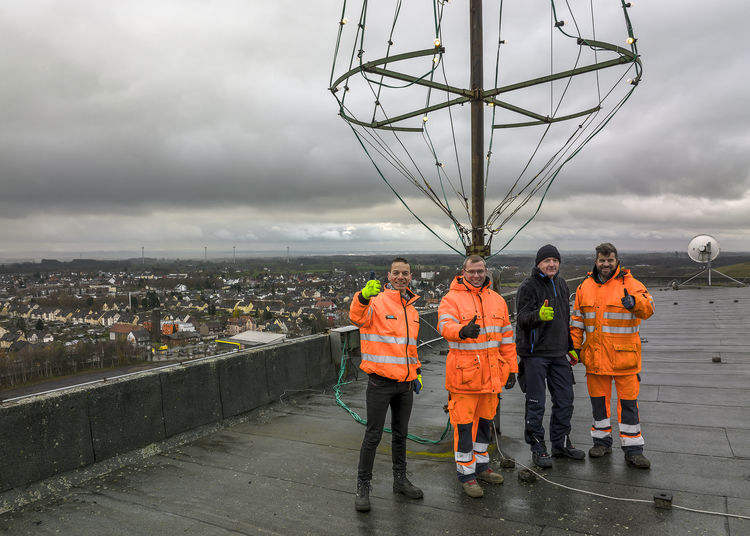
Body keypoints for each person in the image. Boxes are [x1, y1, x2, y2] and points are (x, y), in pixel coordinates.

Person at [438, 255, 518, 498]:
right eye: (471, 271)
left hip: (492, 376)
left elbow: (506, 338)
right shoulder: (451, 299)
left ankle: (482, 467)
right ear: (463, 272)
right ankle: (466, 474)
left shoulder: (497, 300)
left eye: (480, 271)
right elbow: (444, 326)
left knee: (485, 424)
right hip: (464, 377)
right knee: (464, 427)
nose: (476, 275)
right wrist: (461, 331)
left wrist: (512, 368)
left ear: (486, 272)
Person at [570, 243, 655, 469]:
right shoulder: (584, 287)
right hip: (595, 359)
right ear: (596, 261)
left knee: (628, 405)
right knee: (599, 405)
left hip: (625, 360)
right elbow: (577, 322)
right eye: (602, 260)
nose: (605, 264)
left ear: (617, 260)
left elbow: (649, 309)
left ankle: (633, 450)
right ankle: (601, 443)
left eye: (609, 260)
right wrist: (575, 348)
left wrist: (635, 303)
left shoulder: (633, 285)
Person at [349, 257, 424, 512]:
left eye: (405, 273)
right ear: (388, 275)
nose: (400, 277)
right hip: (380, 383)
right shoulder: (376, 301)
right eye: (396, 273)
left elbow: (410, 348)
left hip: (405, 384)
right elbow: (357, 317)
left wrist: (417, 372)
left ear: (410, 276)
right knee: (373, 436)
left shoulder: (412, 310)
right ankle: (363, 487)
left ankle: (400, 480)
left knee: (401, 436)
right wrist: (362, 296)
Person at [516, 244, 585, 469]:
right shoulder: (528, 286)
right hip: (535, 354)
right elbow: (522, 319)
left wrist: (571, 346)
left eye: (555, 260)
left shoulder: (562, 284)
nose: (551, 264)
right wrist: (538, 315)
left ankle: (561, 443)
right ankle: (538, 447)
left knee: (565, 401)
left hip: (558, 353)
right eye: (547, 261)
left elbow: (564, 320)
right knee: (536, 403)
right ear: (538, 263)